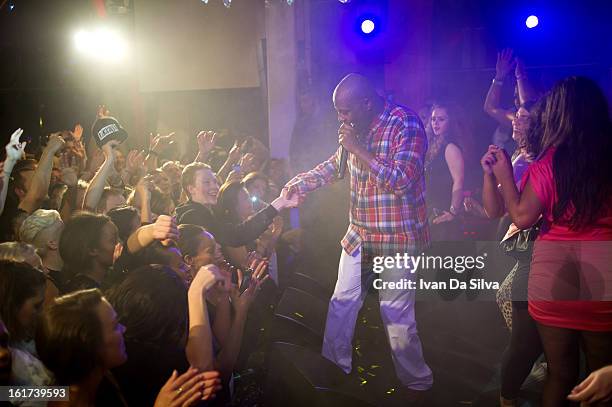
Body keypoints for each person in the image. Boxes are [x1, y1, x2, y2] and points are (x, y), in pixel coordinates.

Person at [283, 73, 433, 395]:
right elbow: (335, 166)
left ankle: (417, 383)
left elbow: (401, 179)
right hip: (360, 235)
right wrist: (300, 182)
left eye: (345, 111)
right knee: (342, 302)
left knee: (395, 314)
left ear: (367, 103)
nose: (341, 118)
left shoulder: (405, 124)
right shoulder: (354, 131)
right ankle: (333, 371)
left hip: (398, 237)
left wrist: (358, 148)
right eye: (338, 111)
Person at [487, 76, 612, 406]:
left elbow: (523, 216)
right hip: (602, 275)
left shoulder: (549, 162)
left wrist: (501, 175)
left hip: (553, 274)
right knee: (603, 376)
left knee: (560, 374)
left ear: (558, 116)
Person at [482, 100, 544, 407]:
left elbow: (523, 213)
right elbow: (495, 210)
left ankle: (534, 357)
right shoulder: (519, 154)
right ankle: (532, 354)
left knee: (509, 296)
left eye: (524, 120)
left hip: (537, 245)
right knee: (507, 298)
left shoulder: (541, 160)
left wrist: (504, 175)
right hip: (516, 238)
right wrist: (488, 174)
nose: (516, 124)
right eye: (515, 118)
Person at [174, 162, 296, 247]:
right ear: (191, 189)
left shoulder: (207, 211)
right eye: (206, 182)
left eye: (215, 181)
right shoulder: (192, 216)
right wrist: (279, 203)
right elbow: (236, 235)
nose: (215, 187)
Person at [425, 102, 466, 240]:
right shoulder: (430, 145)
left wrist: (452, 212)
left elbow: (459, 180)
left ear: (451, 122)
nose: (435, 123)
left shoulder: (450, 148)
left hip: (443, 211)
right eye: (433, 119)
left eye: (441, 119)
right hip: (430, 209)